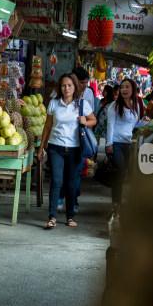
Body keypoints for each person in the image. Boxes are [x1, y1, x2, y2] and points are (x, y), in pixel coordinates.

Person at [37, 73, 97, 229]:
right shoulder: (54, 103)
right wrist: (42, 146)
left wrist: (85, 121)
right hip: (55, 147)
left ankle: (70, 216)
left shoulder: (82, 104)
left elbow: (93, 120)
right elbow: (48, 126)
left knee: (71, 184)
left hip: (75, 149)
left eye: (69, 85)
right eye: (64, 85)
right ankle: (52, 217)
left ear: (75, 87)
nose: (66, 88)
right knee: (56, 182)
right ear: (60, 87)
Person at [105, 78, 150, 217]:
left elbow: (133, 125)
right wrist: (109, 144)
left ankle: (121, 204)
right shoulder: (114, 105)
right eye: (122, 87)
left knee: (124, 173)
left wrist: (143, 122)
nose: (124, 90)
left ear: (133, 89)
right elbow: (110, 125)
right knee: (119, 172)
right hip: (116, 143)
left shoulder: (135, 105)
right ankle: (116, 205)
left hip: (127, 144)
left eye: (127, 87)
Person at [58, 66, 97, 212]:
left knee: (76, 173)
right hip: (62, 141)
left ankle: (73, 200)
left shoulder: (88, 94)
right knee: (63, 173)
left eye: (86, 83)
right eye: (81, 83)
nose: (84, 86)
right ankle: (60, 197)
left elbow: (92, 119)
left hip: (80, 141)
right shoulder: (60, 94)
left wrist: (86, 125)